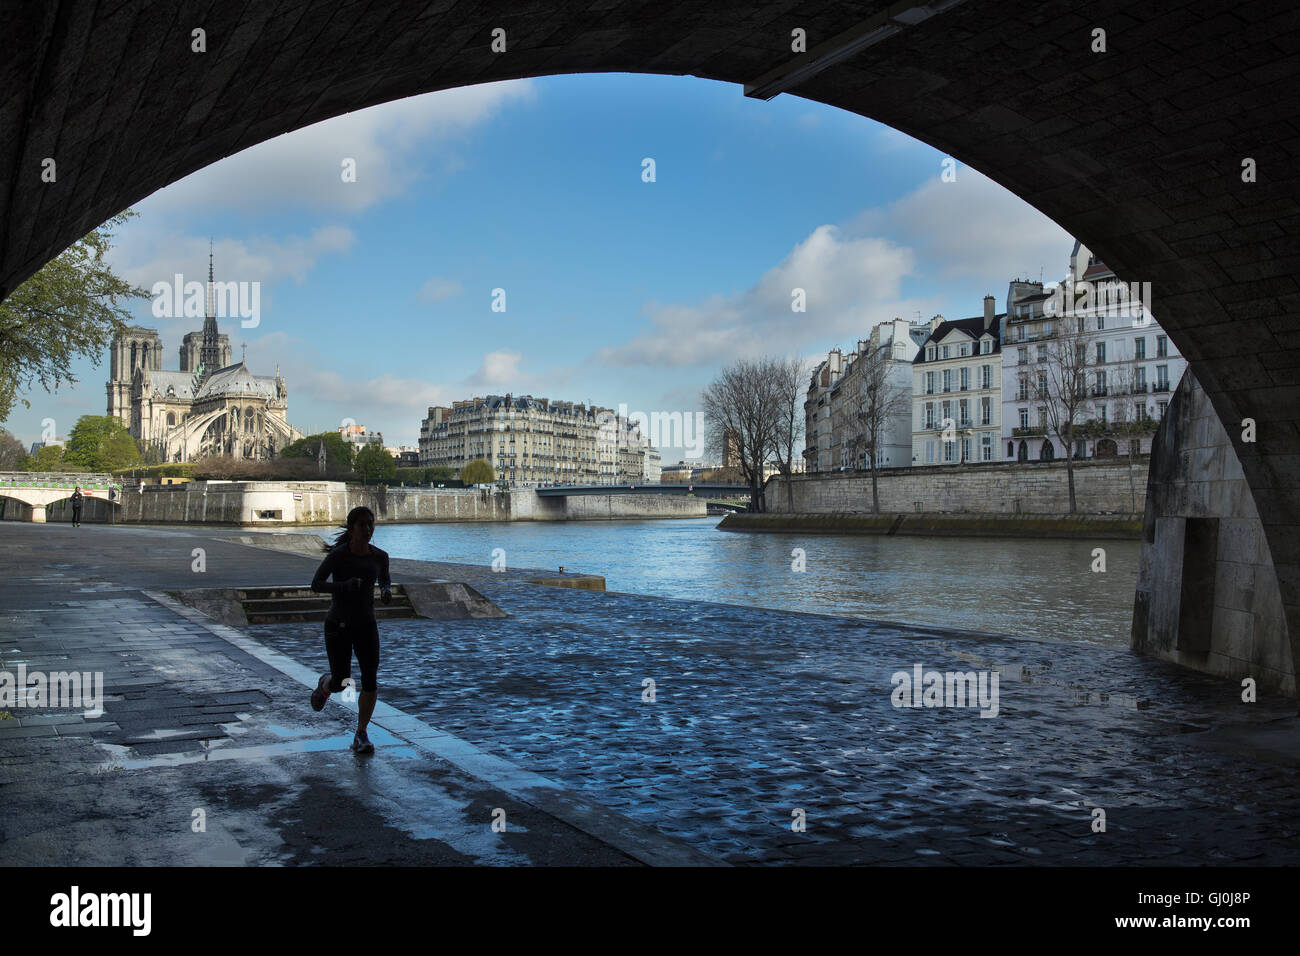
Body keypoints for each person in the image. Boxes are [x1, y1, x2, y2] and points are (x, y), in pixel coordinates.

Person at [309, 506, 391, 754]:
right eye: (362, 524)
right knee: (342, 682)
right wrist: (343, 586)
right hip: (339, 624)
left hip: (366, 623)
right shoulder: (338, 555)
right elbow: (316, 584)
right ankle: (326, 684)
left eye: (370, 524)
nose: (367, 529)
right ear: (351, 527)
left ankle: (361, 733)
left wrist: (386, 591)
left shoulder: (380, 556)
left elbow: (384, 578)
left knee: (370, 679)